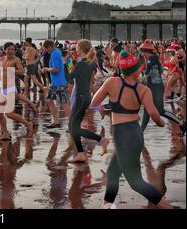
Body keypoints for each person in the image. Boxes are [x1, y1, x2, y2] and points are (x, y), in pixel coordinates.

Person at [91, 50, 173, 209]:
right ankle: (107, 204)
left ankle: (167, 207)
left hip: (122, 136)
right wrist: (161, 123)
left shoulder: (111, 82)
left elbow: (94, 101)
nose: (140, 70)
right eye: (138, 68)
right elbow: (154, 113)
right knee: (113, 172)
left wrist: (103, 109)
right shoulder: (143, 89)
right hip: (134, 135)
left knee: (136, 182)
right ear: (134, 70)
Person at [66, 40, 111, 163]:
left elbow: (68, 78)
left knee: (73, 127)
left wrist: (65, 64)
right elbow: (89, 84)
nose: (76, 50)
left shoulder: (81, 64)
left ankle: (102, 140)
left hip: (80, 97)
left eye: (77, 48)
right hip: (85, 97)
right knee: (72, 126)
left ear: (80, 49)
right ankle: (81, 153)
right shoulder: (91, 63)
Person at [139, 40, 185, 136]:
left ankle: (182, 123)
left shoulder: (150, 59)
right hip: (154, 88)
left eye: (142, 51)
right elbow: (157, 71)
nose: (142, 53)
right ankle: (140, 133)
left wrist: (139, 72)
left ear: (146, 51)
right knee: (147, 112)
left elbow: (147, 73)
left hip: (155, 89)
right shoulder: (153, 58)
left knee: (160, 111)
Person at [0, 42, 34, 140]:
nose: (11, 51)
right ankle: (5, 133)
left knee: (9, 113)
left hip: (11, 88)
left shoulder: (16, 60)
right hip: (3, 89)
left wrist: (12, 70)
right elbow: (0, 72)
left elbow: (22, 71)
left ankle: (28, 124)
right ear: (5, 50)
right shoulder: (2, 59)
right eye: (9, 49)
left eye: (12, 49)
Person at [42, 40, 72, 128]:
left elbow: (56, 69)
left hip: (58, 83)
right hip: (57, 82)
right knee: (49, 100)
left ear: (50, 47)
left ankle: (71, 123)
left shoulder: (54, 54)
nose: (46, 51)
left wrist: (46, 69)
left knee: (64, 103)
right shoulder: (57, 52)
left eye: (46, 48)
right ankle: (56, 122)